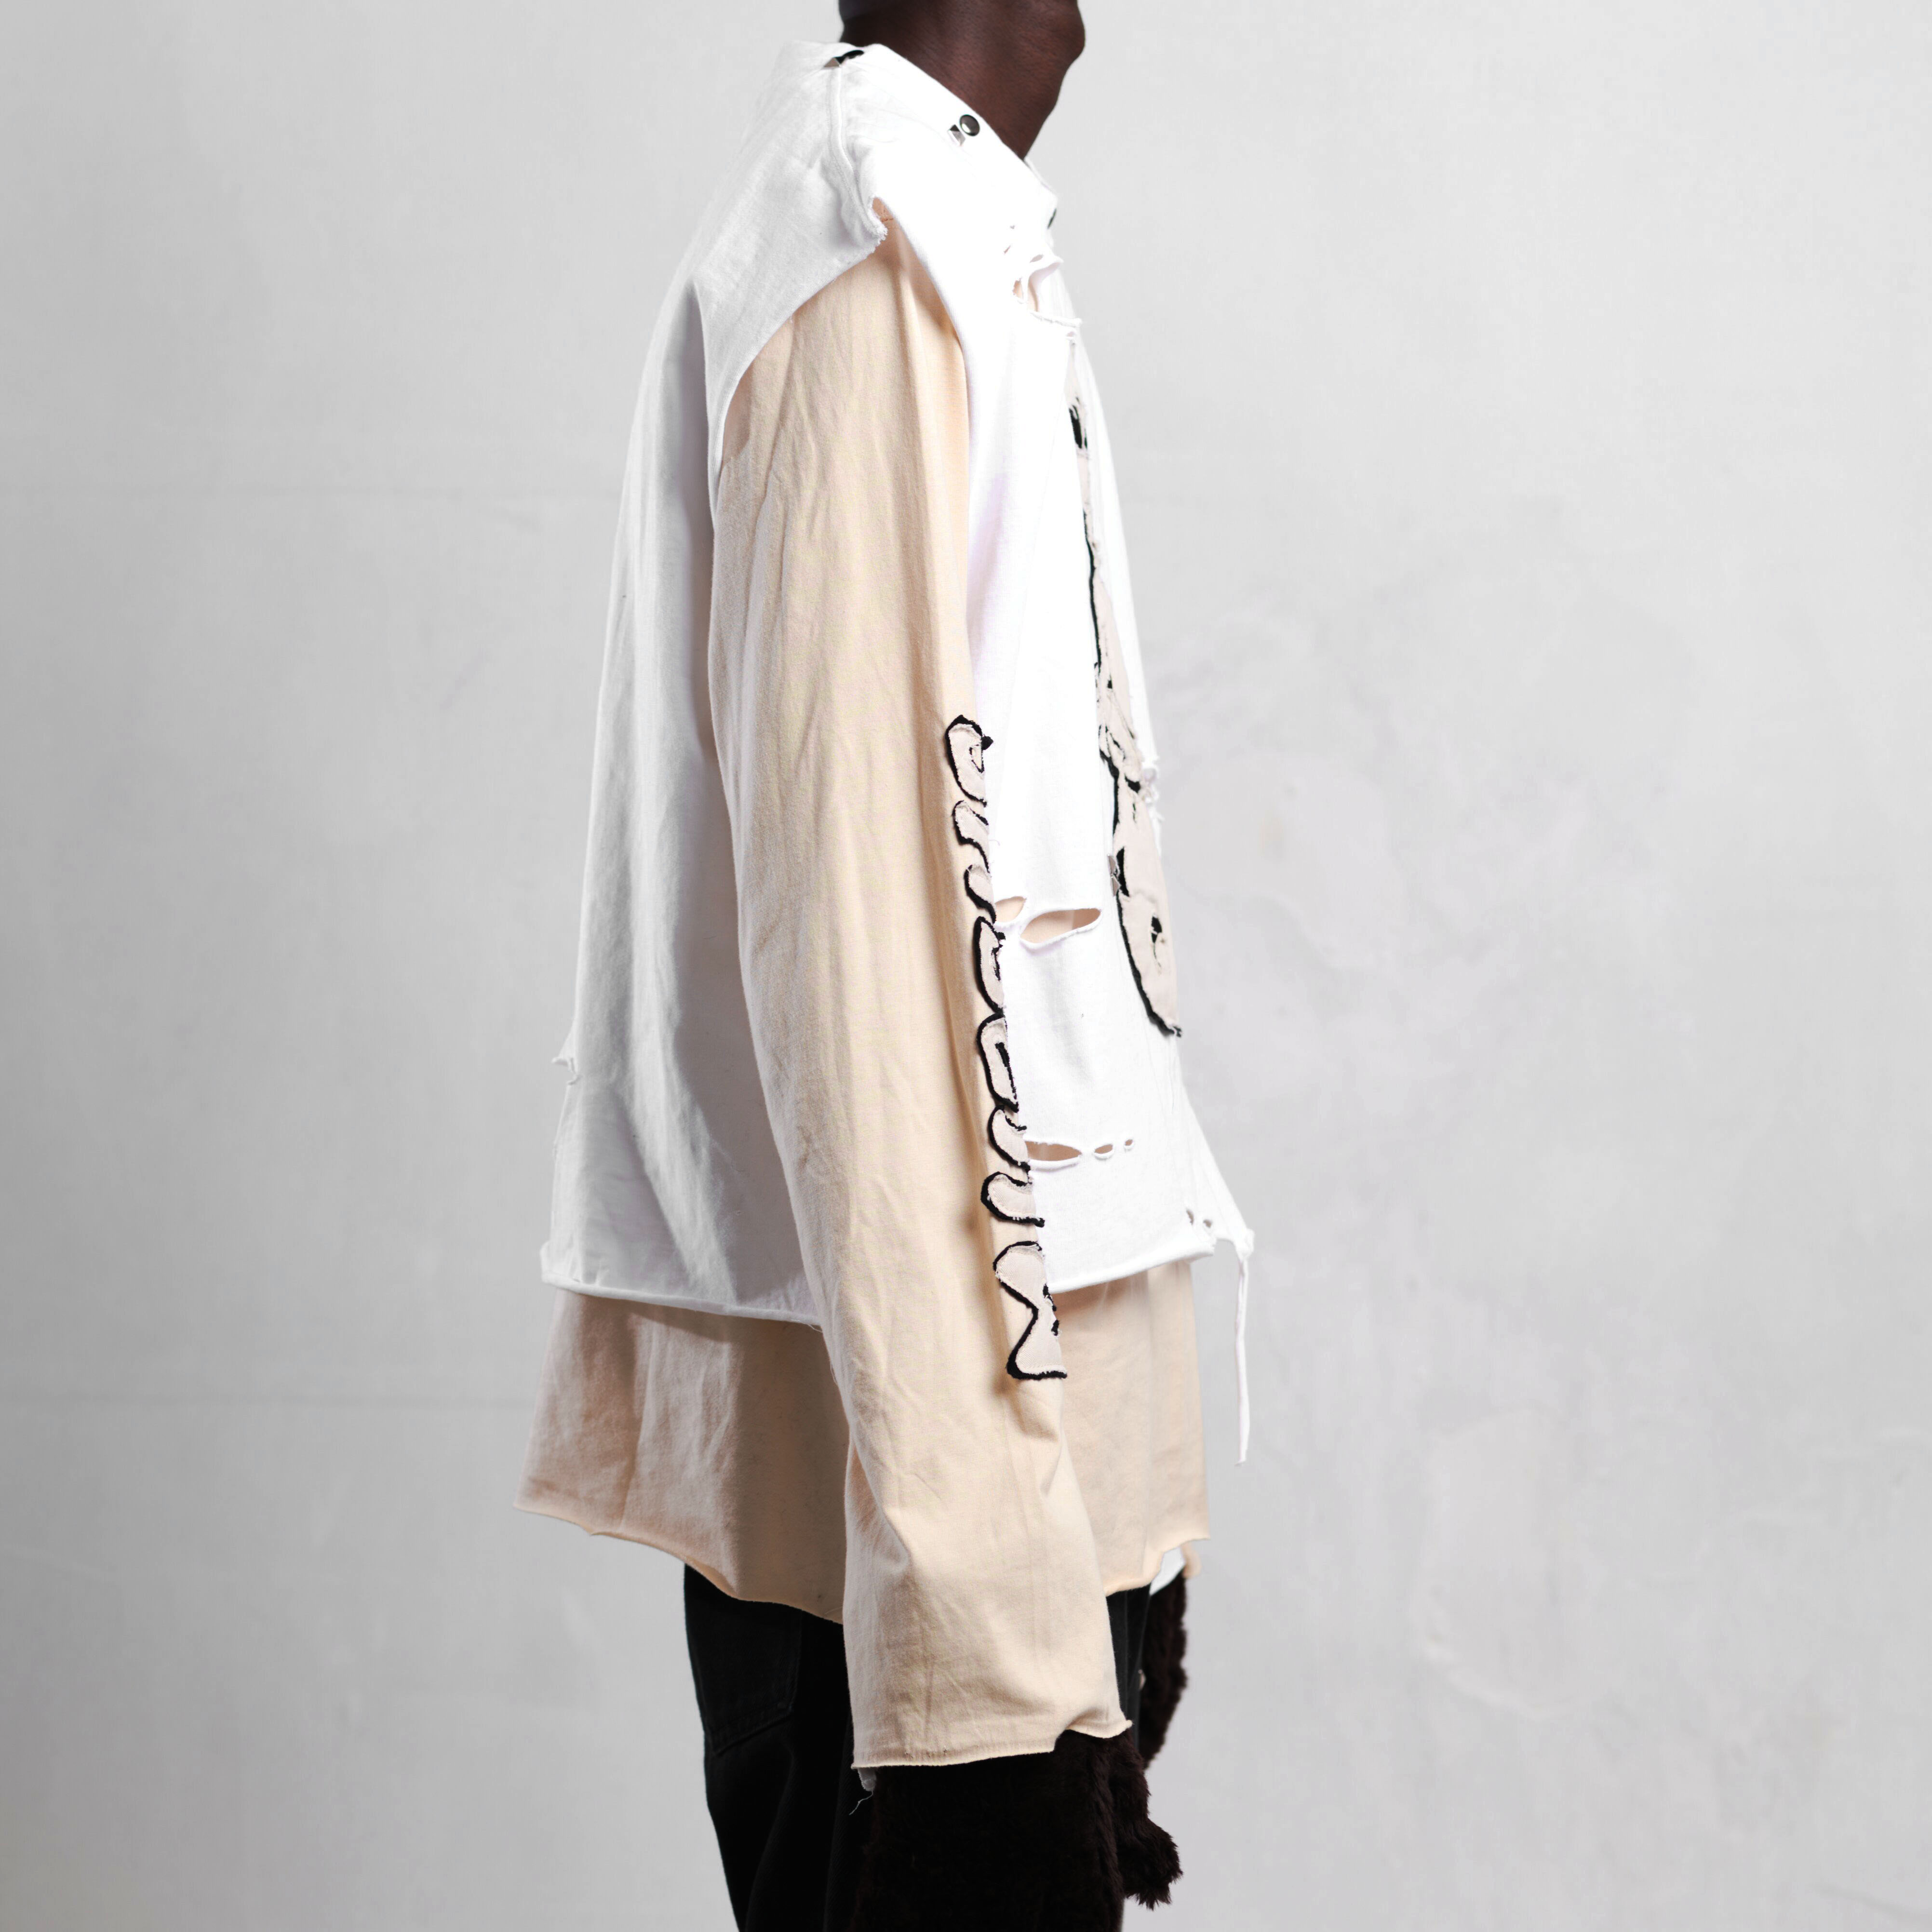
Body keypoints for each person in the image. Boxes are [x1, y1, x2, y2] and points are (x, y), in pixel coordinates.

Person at [517, 4, 1252, 1924]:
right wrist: (981, 1629)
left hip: (1001, 1477)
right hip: (921, 1525)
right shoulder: (864, 259)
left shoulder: (952, 224)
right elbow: (859, 968)